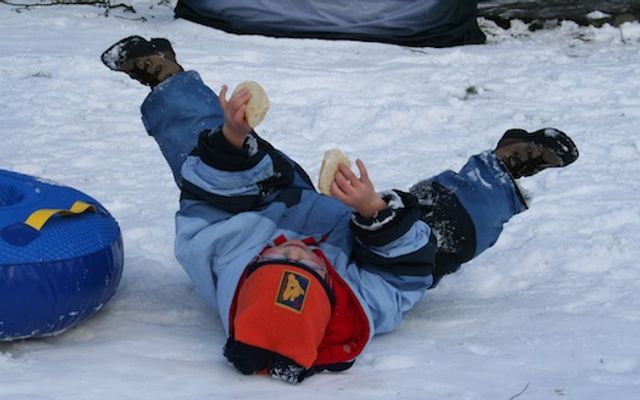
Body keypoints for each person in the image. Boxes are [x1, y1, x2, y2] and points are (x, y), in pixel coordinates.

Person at [101, 36, 579, 384]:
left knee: (204, 156)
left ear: (252, 269)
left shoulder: (220, 253)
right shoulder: (364, 301)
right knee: (434, 245)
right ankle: (504, 167)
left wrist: (232, 139)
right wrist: (374, 213)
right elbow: (404, 274)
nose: (294, 250)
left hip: (267, 204)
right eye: (307, 268)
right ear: (331, 293)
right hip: (358, 244)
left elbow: (205, 198)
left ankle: (167, 79)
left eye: (278, 260)